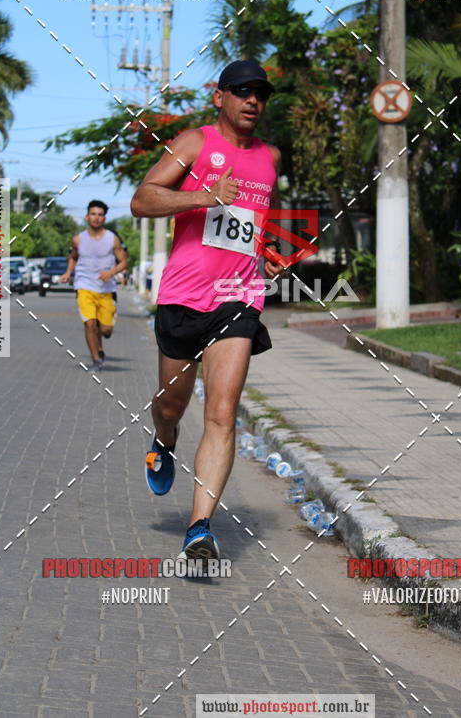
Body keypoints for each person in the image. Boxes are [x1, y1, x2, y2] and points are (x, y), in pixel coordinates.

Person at [130, 59, 284, 563]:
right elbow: (142, 199)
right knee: (172, 404)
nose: (252, 100)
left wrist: (271, 253)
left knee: (221, 413)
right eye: (242, 90)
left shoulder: (271, 158)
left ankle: (200, 528)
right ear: (219, 97)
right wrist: (204, 194)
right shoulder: (196, 144)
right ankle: (163, 438)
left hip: (238, 298)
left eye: (260, 92)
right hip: (182, 296)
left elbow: (256, 224)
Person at [61, 200, 128, 371]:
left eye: (100, 215)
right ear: (87, 216)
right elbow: (74, 257)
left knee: (106, 330)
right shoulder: (78, 239)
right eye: (93, 214)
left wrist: (111, 273)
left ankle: (101, 336)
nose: (96, 218)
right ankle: (96, 359)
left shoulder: (112, 239)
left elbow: (123, 261)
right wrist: (69, 272)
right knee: (89, 323)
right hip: (84, 285)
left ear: (104, 218)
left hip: (106, 289)